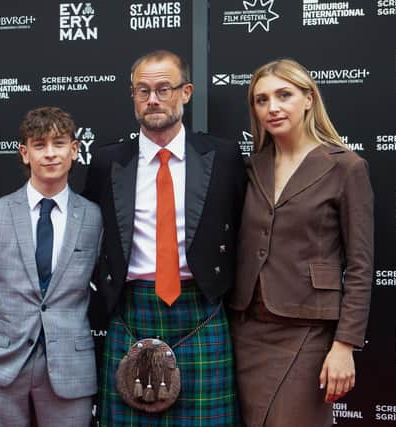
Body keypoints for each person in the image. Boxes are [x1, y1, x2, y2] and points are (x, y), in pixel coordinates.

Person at [83, 50, 246, 426]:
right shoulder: (109, 161)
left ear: (185, 92)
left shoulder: (221, 156)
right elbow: (86, 228)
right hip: (131, 310)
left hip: (201, 309)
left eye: (163, 89)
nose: (152, 99)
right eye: (143, 91)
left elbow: (243, 227)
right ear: (133, 96)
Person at [228, 58, 374, 427]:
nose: (272, 108)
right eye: (261, 100)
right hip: (244, 329)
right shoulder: (250, 167)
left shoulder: (346, 167)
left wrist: (344, 345)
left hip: (308, 332)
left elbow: (360, 265)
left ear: (308, 99)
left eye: (284, 95)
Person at [0, 106, 102, 427]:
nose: (50, 154)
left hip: (70, 368)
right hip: (1, 367)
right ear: (25, 154)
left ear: (75, 150)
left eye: (59, 143)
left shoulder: (94, 217)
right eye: (39, 145)